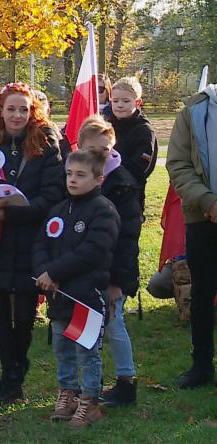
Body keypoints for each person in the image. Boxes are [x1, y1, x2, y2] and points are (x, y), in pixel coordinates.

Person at [0, 82, 65, 405]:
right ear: (0, 111)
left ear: (33, 111)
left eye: (24, 109)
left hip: (30, 241)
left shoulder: (47, 145)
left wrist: (16, 211)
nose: (17, 115)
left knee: (23, 314)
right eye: (11, 109)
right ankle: (10, 376)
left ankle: (15, 372)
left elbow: (52, 196)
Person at [34, 149, 120, 427]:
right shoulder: (58, 210)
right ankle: (67, 393)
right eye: (69, 174)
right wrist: (44, 272)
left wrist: (55, 272)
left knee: (87, 351)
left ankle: (90, 401)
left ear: (98, 179)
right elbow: (41, 244)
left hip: (87, 296)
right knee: (62, 347)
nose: (72, 180)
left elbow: (92, 251)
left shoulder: (103, 210)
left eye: (81, 175)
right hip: (59, 296)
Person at [77, 116, 142, 407]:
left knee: (114, 325)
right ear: (79, 147)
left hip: (112, 273)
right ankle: (88, 383)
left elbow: (128, 239)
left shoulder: (122, 184)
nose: (99, 156)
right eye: (92, 150)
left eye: (105, 150)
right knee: (83, 328)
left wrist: (118, 281)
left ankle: (126, 382)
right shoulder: (75, 179)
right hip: (82, 271)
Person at [166, 82, 217, 388]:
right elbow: (178, 164)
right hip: (202, 218)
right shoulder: (194, 110)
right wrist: (209, 203)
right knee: (202, 293)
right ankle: (201, 365)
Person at [107, 76, 158, 210]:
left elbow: (140, 168)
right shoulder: (105, 125)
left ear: (137, 102)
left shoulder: (144, 131)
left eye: (126, 101)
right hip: (103, 193)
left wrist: (110, 166)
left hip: (129, 196)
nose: (119, 105)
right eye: (115, 100)